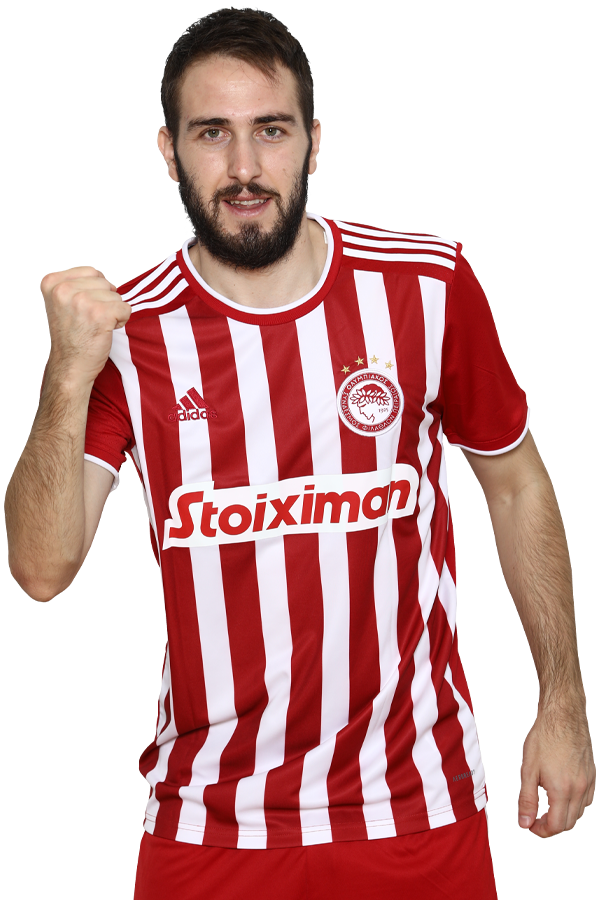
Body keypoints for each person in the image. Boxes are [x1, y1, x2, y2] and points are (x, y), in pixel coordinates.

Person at [6, 8, 594, 899]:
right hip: (211, 824)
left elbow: (515, 488)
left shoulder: (427, 290)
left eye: (271, 130)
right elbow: (43, 569)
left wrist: (561, 705)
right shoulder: (130, 337)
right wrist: (65, 372)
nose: (245, 167)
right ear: (168, 152)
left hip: (415, 810)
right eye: (213, 133)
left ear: (314, 139)